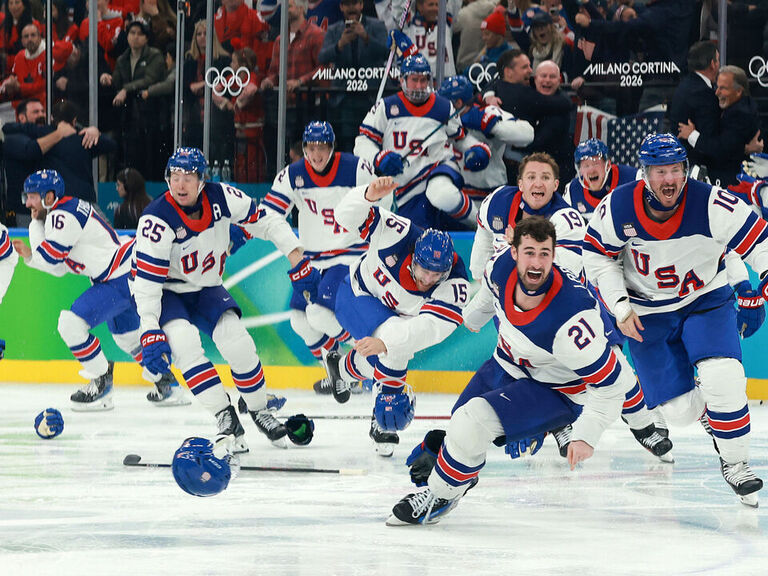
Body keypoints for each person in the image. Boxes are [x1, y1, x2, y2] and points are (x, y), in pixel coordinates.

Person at [386, 217, 638, 525]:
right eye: (529, 252)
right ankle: (460, 471)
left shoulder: (572, 319)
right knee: (460, 429)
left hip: (555, 391)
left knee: (471, 423)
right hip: (508, 363)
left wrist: (587, 435)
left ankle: (439, 496)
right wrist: (474, 318)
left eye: (545, 253)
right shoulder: (499, 265)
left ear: (554, 254)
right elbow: (489, 294)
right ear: (514, 252)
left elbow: (615, 383)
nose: (537, 262)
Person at [582, 133, 768, 507]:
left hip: (705, 299)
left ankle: (736, 463)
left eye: (675, 170)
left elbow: (760, 243)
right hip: (645, 311)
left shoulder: (713, 204)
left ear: (685, 170)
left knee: (723, 376)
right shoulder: (617, 208)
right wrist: (619, 307)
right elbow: (597, 256)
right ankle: (711, 420)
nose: (669, 179)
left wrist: (757, 288)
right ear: (644, 175)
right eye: (660, 171)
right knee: (680, 410)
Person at [132, 147, 307, 452]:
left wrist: (296, 255)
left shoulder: (224, 197)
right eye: (175, 176)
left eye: (188, 176)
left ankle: (258, 409)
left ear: (202, 180)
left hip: (207, 287)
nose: (181, 184)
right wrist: (149, 328)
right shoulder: (156, 220)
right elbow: (147, 283)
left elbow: (265, 220)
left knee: (237, 341)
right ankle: (224, 416)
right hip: (169, 293)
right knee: (185, 346)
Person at [321, 175, 471, 456]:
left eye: (436, 273)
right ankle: (383, 417)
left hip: (395, 320)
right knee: (395, 349)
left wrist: (388, 344)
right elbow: (344, 217)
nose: (428, 279)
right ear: (413, 256)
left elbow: (431, 329)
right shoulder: (397, 232)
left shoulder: (456, 283)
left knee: (391, 348)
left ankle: (340, 369)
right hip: (356, 295)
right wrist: (366, 195)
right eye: (424, 269)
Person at [11, 170, 186, 411]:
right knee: (127, 338)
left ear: (49, 196)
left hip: (117, 278)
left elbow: (51, 260)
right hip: (121, 275)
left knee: (70, 324)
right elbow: (59, 268)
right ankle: (168, 384)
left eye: (32, 197)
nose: (27, 203)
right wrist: (33, 245)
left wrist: (34, 230)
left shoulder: (61, 215)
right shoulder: (61, 211)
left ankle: (101, 383)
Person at [262, 121, 380, 392]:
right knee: (299, 320)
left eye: (322, 147)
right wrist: (244, 228)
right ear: (304, 148)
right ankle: (337, 371)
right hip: (314, 261)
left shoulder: (356, 168)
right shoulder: (293, 175)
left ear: (332, 146)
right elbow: (269, 214)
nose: (317, 154)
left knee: (317, 314)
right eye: (311, 148)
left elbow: (382, 203)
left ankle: (367, 362)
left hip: (350, 257)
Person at [354, 53, 489, 231]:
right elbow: (362, 141)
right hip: (402, 180)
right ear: (402, 80)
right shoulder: (385, 107)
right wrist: (379, 157)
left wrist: (477, 148)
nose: (419, 86)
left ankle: (482, 226)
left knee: (443, 194)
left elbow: (460, 139)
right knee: (410, 230)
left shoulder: (443, 106)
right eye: (414, 80)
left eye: (423, 80)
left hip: (437, 166)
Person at [437, 74, 534, 204]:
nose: (440, 105)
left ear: (458, 102)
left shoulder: (488, 112)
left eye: (445, 101)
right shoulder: (438, 118)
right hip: (453, 190)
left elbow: (528, 135)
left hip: (489, 192)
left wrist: (494, 126)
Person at [317, 0, 388, 153]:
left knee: (373, 141)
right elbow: (322, 57)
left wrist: (366, 36)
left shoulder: (377, 25)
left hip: (371, 95)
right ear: (341, 7)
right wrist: (340, 45)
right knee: (348, 143)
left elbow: (387, 52)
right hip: (344, 98)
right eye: (347, 4)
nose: (351, 8)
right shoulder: (334, 30)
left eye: (354, 3)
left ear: (361, 5)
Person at [100, 19, 167, 180]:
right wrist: (107, 78)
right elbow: (117, 81)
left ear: (146, 38)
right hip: (129, 117)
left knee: (149, 160)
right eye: (132, 33)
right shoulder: (123, 58)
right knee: (131, 158)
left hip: (152, 115)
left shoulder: (154, 55)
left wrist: (125, 89)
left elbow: (150, 79)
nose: (135, 37)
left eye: (140, 34)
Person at [677, 66, 762, 187]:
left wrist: (691, 135)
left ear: (739, 91)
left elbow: (721, 149)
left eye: (723, 88)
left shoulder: (740, 113)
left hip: (732, 182)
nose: (717, 92)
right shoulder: (734, 106)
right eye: (717, 87)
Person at [668, 41, 721, 169]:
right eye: (718, 60)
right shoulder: (703, 94)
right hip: (696, 166)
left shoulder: (686, 84)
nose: (719, 65)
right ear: (712, 64)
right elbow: (710, 138)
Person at [564, 138, 638, 220]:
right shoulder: (571, 192)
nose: (591, 170)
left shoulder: (633, 178)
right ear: (580, 170)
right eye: (586, 166)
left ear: (608, 164)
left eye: (596, 164)